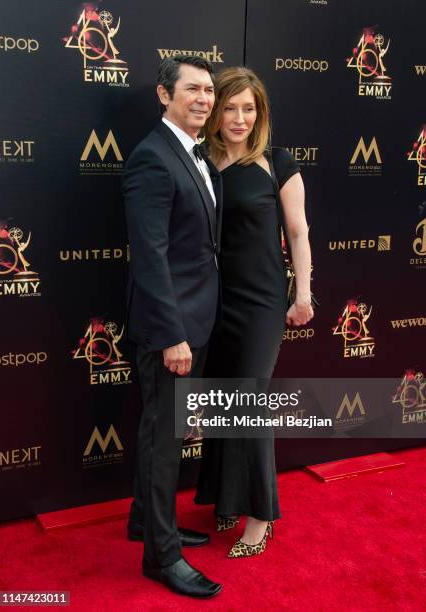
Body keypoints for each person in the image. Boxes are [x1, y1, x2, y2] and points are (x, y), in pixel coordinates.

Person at [195, 67, 314, 557]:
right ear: (215, 110)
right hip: (211, 301)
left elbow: (299, 232)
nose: (239, 117)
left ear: (260, 112)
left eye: (249, 108)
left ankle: (260, 517)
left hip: (262, 301)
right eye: (230, 107)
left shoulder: (277, 162)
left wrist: (303, 294)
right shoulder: (200, 160)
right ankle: (225, 499)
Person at [122, 55, 222, 597]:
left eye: (209, 90)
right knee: (163, 441)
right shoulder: (152, 158)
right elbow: (150, 256)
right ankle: (161, 558)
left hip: (195, 321)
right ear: (165, 95)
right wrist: (171, 335)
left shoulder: (190, 152)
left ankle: (146, 521)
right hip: (172, 330)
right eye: (192, 90)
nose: (204, 99)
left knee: (163, 432)